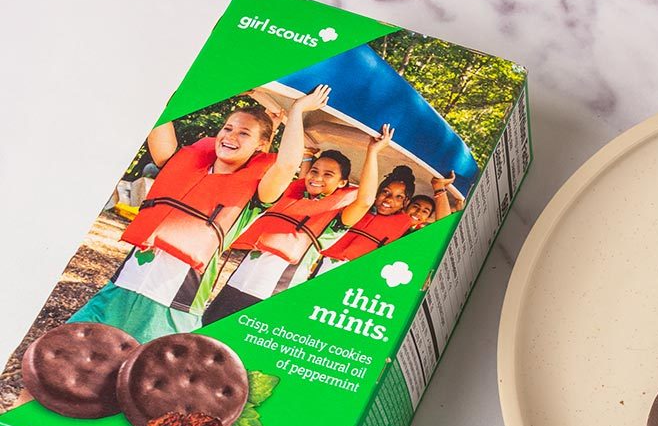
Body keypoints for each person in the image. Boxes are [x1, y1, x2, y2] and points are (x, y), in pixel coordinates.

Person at [68, 86, 331, 342]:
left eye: (244, 133)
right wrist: (218, 88)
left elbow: (286, 165)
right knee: (58, 359)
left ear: (261, 145)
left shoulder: (256, 196)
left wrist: (297, 110)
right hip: (119, 290)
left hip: (172, 310)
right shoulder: (181, 165)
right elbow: (161, 112)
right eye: (227, 128)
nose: (231, 136)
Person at [201, 125, 395, 325]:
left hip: (271, 298)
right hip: (234, 285)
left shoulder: (335, 222)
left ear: (342, 183)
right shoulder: (289, 199)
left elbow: (364, 201)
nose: (317, 177)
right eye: (314, 171)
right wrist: (273, 126)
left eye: (328, 175)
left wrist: (373, 152)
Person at [312, 168, 461, 275]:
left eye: (399, 197)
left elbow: (444, 229)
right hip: (325, 267)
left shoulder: (406, 230)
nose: (389, 200)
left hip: (361, 281)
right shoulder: (356, 207)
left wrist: (439, 187)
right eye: (385, 192)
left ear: (405, 202)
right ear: (377, 193)